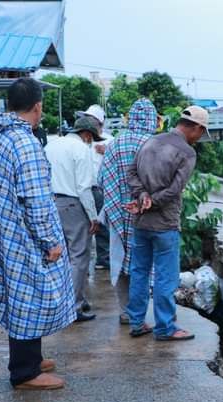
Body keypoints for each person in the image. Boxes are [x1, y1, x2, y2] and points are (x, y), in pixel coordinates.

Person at [0, 77, 75, 390]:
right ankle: (25, 371)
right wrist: (50, 241)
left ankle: (31, 355)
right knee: (29, 295)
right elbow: (35, 199)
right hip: (22, 233)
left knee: (20, 293)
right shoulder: (25, 142)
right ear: (38, 106)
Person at [125, 105, 209, 341]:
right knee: (165, 277)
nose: (200, 137)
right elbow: (175, 190)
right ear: (196, 128)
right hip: (165, 224)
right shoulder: (187, 153)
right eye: (202, 132)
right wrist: (151, 201)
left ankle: (136, 322)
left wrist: (142, 198)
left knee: (139, 272)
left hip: (141, 223)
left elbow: (131, 174)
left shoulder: (150, 141)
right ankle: (165, 327)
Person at [99, 99, 158, 325]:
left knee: (120, 259)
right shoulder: (153, 144)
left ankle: (125, 311)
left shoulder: (115, 144)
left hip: (119, 212)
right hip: (147, 213)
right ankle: (139, 313)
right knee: (143, 263)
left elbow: (102, 179)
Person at [44, 116, 103, 322]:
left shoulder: (51, 146)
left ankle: (65, 300)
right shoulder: (81, 150)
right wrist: (93, 216)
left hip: (52, 203)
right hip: (73, 205)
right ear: (87, 135)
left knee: (60, 255)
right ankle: (74, 306)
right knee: (79, 257)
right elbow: (84, 187)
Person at [77, 104, 112, 271]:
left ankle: (103, 259)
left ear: (99, 123)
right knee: (81, 225)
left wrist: (108, 151)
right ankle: (81, 260)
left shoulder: (109, 140)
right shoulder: (79, 139)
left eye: (92, 119)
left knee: (101, 225)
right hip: (80, 187)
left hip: (99, 188)